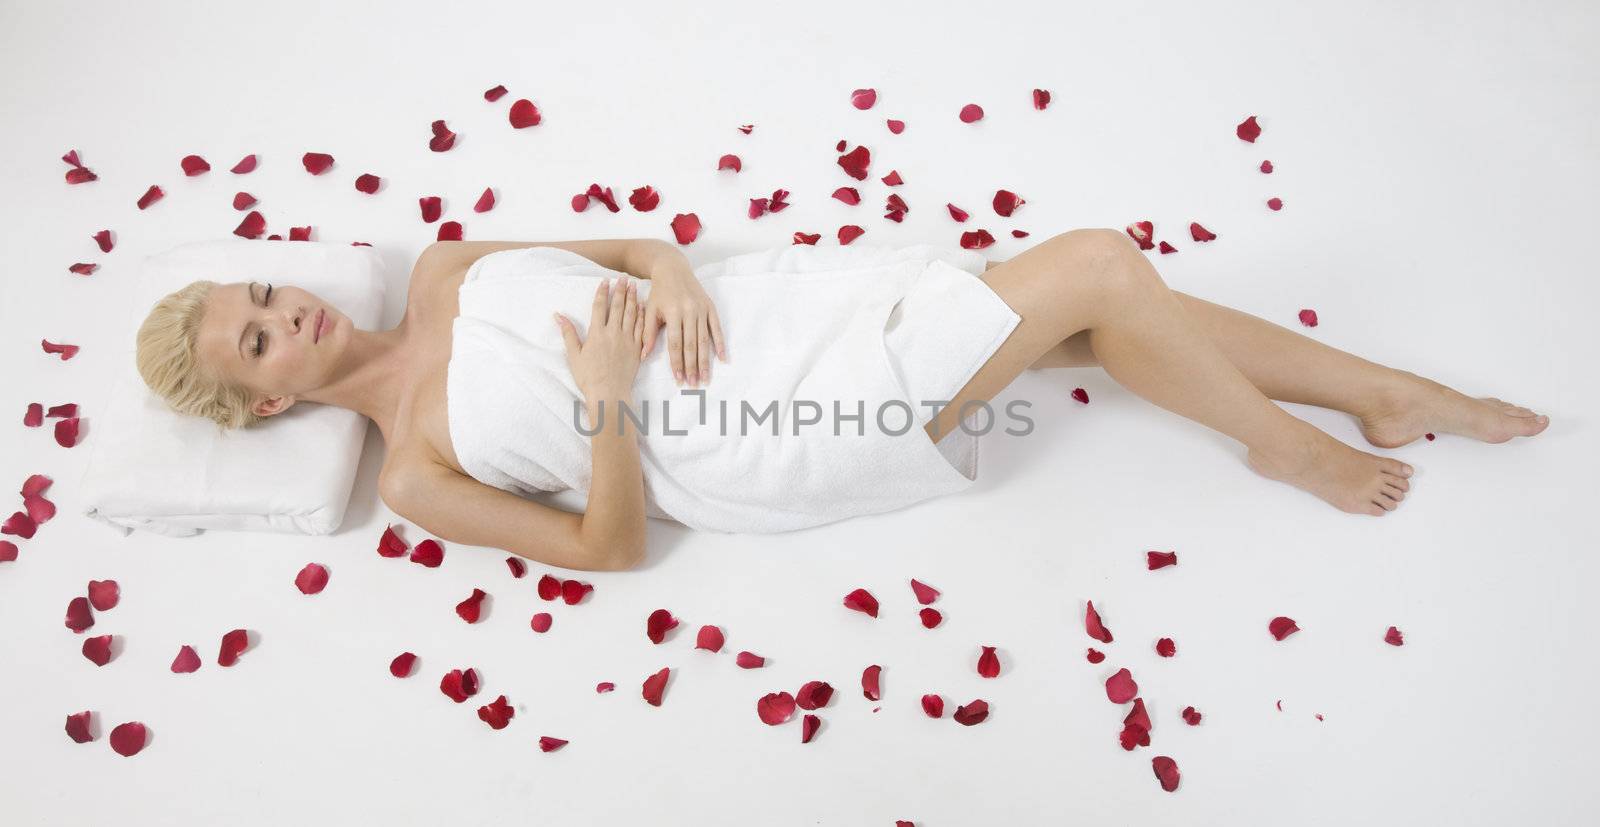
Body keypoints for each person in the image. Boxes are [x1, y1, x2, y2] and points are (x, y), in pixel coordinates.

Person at [134, 232, 1549, 571]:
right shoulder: (415, 475)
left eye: (260, 296)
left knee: (1098, 316)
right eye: (258, 343)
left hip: (775, 319)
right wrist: (608, 400)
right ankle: (1300, 443)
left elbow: (631, 249)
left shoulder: (449, 267)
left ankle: (1395, 393)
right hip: (768, 436)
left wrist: (675, 275)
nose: (286, 314)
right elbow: (611, 551)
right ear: (262, 407)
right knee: (1101, 275)